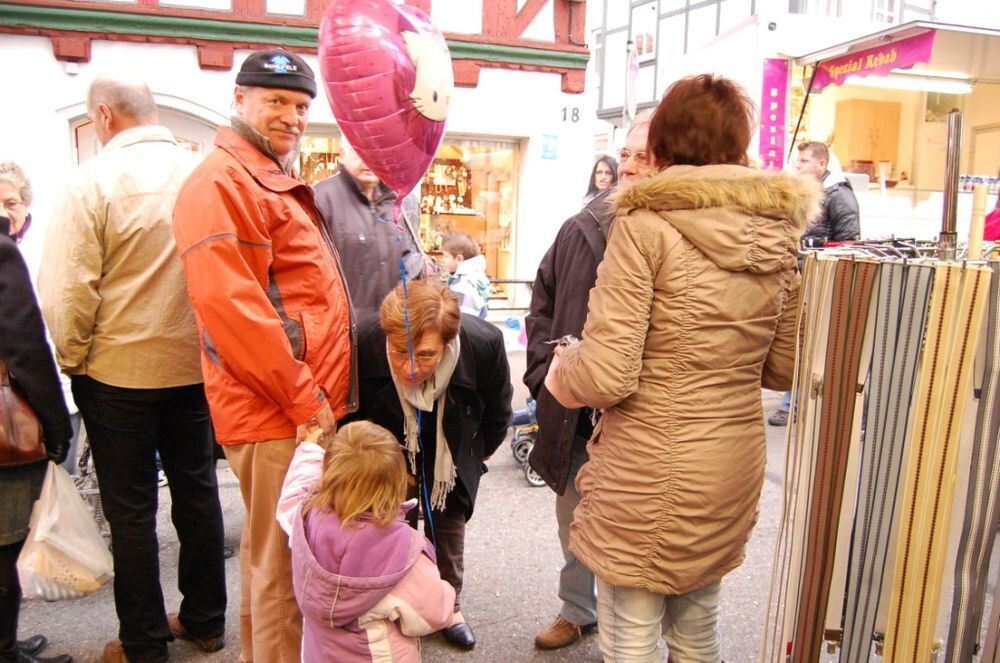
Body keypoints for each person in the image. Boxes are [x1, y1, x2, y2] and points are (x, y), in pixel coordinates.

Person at [544, 74, 818, 662]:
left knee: (631, 637)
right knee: (698, 635)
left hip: (646, 467)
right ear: (737, 146)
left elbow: (606, 375)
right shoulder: (778, 234)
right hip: (730, 463)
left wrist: (560, 367)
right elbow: (784, 367)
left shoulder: (642, 225)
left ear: (664, 144)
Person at [172, 49, 355, 663]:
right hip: (279, 407)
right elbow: (235, 314)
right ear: (240, 99)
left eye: (301, 106)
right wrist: (307, 401)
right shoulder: (223, 181)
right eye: (276, 101)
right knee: (280, 568)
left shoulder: (262, 175)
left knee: (283, 562)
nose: (292, 116)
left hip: (292, 405)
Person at [38, 75, 227, 663]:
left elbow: (68, 293)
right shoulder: (204, 175)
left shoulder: (91, 182)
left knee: (131, 510)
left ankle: (144, 641)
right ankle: (205, 619)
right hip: (194, 366)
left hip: (118, 370)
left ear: (103, 115)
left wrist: (74, 361)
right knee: (198, 491)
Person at [524, 114, 653, 651]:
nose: (627, 166)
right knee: (572, 519)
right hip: (574, 412)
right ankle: (578, 609)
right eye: (625, 154)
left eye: (643, 156)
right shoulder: (581, 225)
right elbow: (543, 299)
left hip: (641, 419)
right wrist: (540, 377)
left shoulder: (678, 235)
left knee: (636, 536)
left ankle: (635, 636)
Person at [343, 281, 512, 650]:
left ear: (449, 343)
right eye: (399, 352)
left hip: (449, 453)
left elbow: (498, 414)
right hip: (386, 448)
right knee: (387, 530)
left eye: (424, 355)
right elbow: (352, 411)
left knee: (448, 529)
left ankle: (449, 607)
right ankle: (395, 602)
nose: (409, 367)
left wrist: (472, 456)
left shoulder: (484, 344)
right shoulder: (367, 340)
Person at [275, 421, 456, 662]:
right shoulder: (400, 551)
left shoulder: (307, 515)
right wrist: (447, 591)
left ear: (328, 473)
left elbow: (298, 485)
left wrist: (309, 448)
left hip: (319, 654)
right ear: (395, 485)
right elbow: (435, 613)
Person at [0, 171, 73, 663]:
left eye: (14, 202)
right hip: (4, 432)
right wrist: (57, 421)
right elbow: (23, 346)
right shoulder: (3, 252)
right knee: (5, 543)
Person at [768, 140, 861, 427]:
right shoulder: (801, 194)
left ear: (822, 164)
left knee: (809, 341)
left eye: (805, 161)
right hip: (798, 275)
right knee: (795, 339)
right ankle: (793, 401)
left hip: (821, 278)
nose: (799, 166)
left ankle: (794, 403)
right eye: (798, 161)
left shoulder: (839, 196)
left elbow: (849, 241)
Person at [314, 141, 426, 317]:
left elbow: (405, 261)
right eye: (359, 152)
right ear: (342, 155)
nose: (368, 161)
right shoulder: (320, 199)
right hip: (342, 330)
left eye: (376, 154)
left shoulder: (397, 200)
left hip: (388, 329)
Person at [440, 232, 490, 319]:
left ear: (459, 259)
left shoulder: (463, 285)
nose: (443, 260)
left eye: (446, 256)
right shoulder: (475, 276)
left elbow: (463, 323)